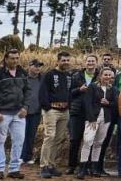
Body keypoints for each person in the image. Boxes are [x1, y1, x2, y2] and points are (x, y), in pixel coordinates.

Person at [0, 48, 30, 180]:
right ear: (6, 59)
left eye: (17, 58)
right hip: (2, 113)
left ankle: (14, 169)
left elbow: (27, 91)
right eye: (12, 58)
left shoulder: (22, 72)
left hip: (19, 113)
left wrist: (25, 107)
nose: (15, 60)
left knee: (19, 141)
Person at [77, 68, 117, 180]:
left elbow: (116, 103)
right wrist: (91, 119)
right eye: (105, 74)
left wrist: (108, 103)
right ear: (100, 76)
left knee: (99, 143)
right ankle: (82, 168)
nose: (107, 77)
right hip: (93, 119)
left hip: (106, 119)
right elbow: (87, 103)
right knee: (88, 141)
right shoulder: (93, 87)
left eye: (109, 75)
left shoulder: (113, 89)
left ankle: (94, 167)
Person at [39, 51, 72, 179]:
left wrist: (68, 105)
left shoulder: (69, 76)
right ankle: (43, 166)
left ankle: (51, 165)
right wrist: (47, 107)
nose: (66, 62)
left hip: (65, 111)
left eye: (67, 60)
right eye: (63, 60)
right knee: (49, 136)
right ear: (58, 61)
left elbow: (70, 92)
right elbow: (42, 92)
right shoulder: (49, 75)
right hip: (51, 110)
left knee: (58, 139)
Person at [68, 55, 99, 175]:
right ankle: (72, 166)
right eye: (88, 61)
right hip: (77, 112)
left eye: (93, 61)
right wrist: (79, 90)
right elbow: (69, 93)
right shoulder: (76, 76)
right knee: (74, 139)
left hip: (92, 113)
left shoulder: (99, 76)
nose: (90, 63)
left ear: (96, 63)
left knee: (90, 140)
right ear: (84, 63)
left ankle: (87, 166)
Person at [20, 59, 43, 166]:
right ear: (29, 66)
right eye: (36, 66)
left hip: (36, 111)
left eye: (39, 66)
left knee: (31, 135)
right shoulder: (23, 78)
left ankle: (27, 157)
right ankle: (20, 156)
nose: (38, 68)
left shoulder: (42, 79)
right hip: (22, 111)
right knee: (21, 135)